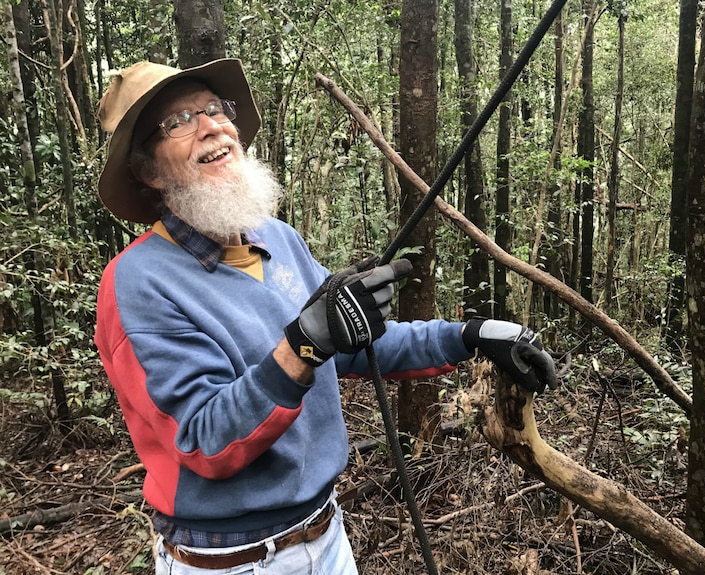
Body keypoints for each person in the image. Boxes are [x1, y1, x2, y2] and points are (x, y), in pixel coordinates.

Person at [94, 58, 556, 574]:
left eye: (214, 109)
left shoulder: (277, 239)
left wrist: (471, 336)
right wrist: (303, 345)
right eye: (178, 122)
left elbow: (356, 343)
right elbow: (203, 440)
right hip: (230, 560)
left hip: (326, 536)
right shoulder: (137, 282)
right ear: (148, 170)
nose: (210, 127)